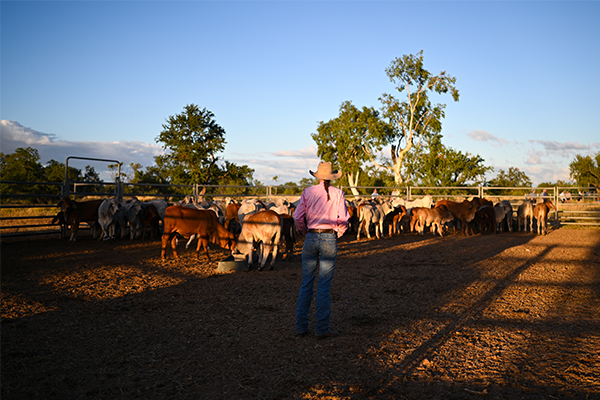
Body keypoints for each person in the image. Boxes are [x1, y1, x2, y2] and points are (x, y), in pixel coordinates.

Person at [294, 162, 349, 339]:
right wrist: (337, 233)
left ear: (317, 176)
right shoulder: (338, 193)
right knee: (324, 286)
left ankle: (301, 327)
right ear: (332, 177)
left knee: (306, 283)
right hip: (328, 238)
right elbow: (344, 220)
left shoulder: (308, 192)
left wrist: (305, 231)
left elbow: (297, 217)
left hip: (311, 237)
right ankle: (321, 329)